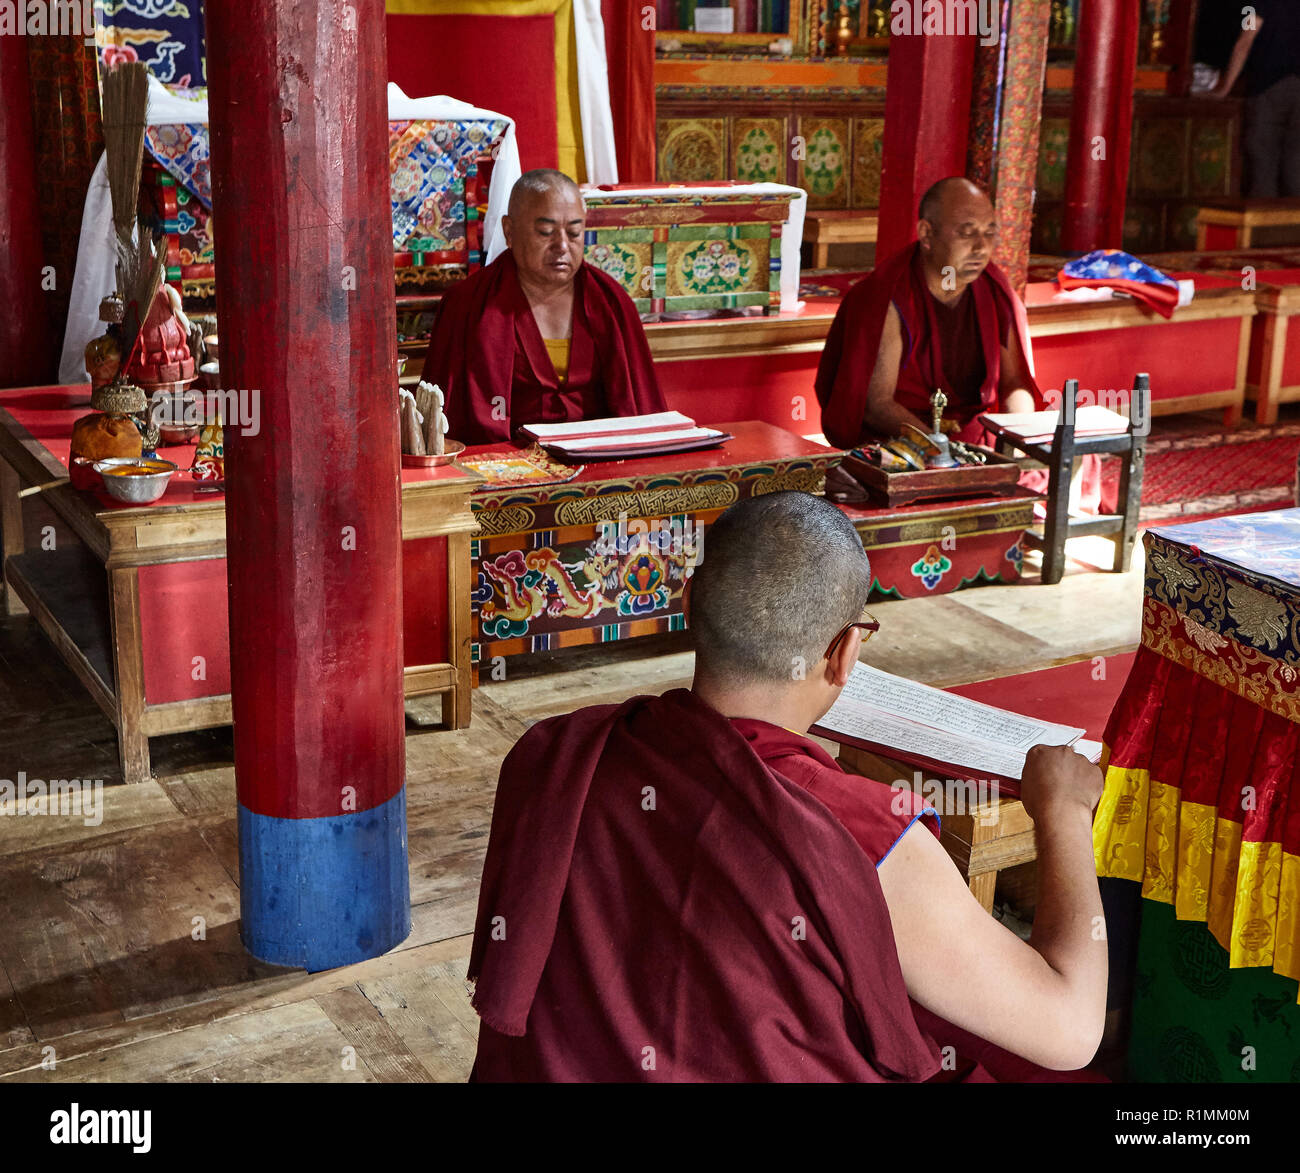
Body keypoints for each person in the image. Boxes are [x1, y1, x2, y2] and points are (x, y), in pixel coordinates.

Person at [467, 491, 1108, 1082]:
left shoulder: (554, 757)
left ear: (690, 605)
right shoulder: (870, 838)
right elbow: (1071, 1029)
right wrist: (1064, 812)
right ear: (842, 654)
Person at [420, 169, 667, 444]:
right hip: (505, 469)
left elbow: (641, 409)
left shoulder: (611, 301)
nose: (562, 245)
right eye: (546, 232)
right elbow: (443, 425)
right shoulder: (468, 306)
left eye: (574, 233)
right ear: (509, 232)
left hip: (601, 464)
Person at [815, 177, 1042, 451]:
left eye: (989, 232)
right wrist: (940, 449)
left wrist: (1019, 440)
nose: (981, 248)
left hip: (976, 439)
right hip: (905, 440)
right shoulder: (887, 296)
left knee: (1075, 465)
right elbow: (877, 406)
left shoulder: (993, 290)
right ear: (926, 234)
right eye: (967, 233)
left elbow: (1015, 382)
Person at [1210, 3, 1300, 196]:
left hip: (1269, 89)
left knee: (1262, 167)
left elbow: (1245, 41)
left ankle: (1260, 226)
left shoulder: (1255, 5)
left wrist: (1225, 87)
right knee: (1296, 170)